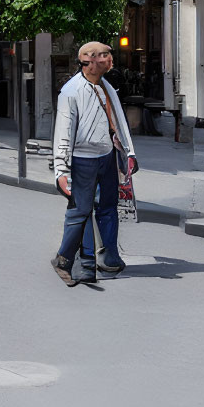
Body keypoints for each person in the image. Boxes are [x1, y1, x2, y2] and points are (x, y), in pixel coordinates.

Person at [51, 41, 138, 286]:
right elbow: (63, 133)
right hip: (82, 159)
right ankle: (77, 263)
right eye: (104, 56)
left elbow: (118, 121)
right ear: (89, 60)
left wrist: (129, 153)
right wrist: (61, 169)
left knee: (109, 207)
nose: (110, 59)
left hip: (107, 157)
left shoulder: (106, 86)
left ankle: (109, 257)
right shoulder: (71, 91)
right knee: (81, 211)